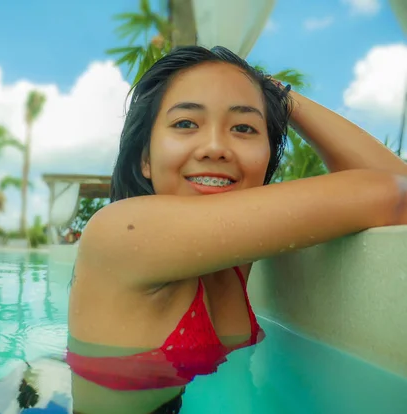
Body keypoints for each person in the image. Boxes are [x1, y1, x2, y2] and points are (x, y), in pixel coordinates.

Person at [65, 45, 407, 413]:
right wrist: (268, 96)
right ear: (145, 158)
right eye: (185, 124)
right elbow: (394, 193)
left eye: (244, 127)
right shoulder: (121, 233)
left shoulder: (233, 257)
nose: (215, 148)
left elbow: (400, 185)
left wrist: (280, 98)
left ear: (267, 157)